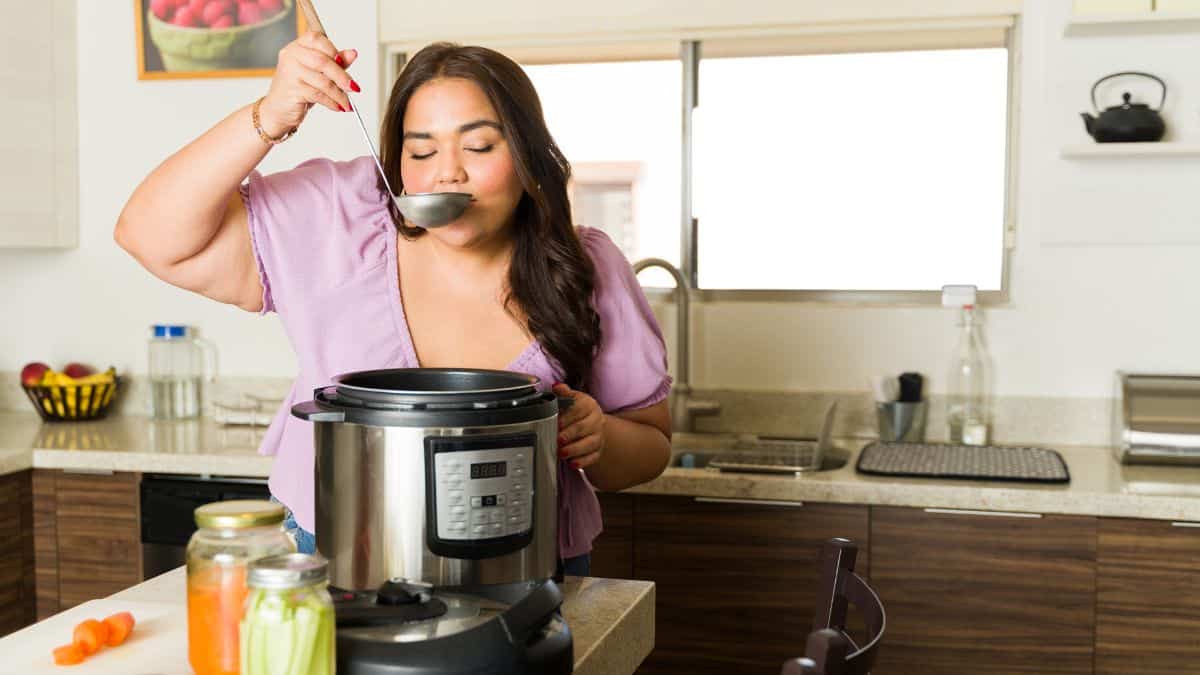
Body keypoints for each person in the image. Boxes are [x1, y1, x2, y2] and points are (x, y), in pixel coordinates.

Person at [115, 36, 673, 575]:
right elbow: (149, 235)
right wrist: (272, 113)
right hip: (336, 557)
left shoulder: (586, 263)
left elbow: (651, 445)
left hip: (526, 565)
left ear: (527, 155)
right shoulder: (339, 218)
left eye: (479, 146)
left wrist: (600, 438)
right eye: (421, 150)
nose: (446, 172)